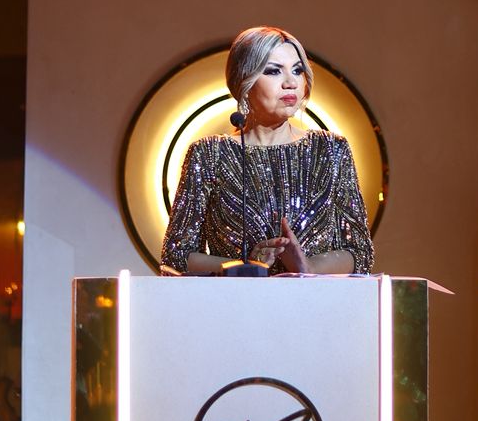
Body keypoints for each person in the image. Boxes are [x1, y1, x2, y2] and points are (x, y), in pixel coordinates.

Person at [160, 25, 374, 275]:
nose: (291, 82)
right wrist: (247, 267)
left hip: (314, 299)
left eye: (298, 70)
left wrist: (307, 267)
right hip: (237, 299)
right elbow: (176, 256)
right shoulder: (209, 154)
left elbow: (360, 252)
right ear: (244, 82)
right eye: (273, 71)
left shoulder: (331, 150)